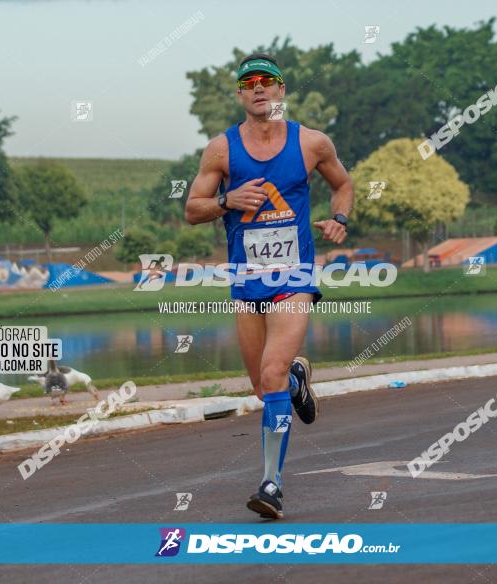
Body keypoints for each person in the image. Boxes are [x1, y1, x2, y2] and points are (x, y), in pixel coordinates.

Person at [185, 53, 353, 519]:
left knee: (272, 371)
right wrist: (226, 200)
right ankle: (298, 378)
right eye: (249, 82)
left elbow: (344, 185)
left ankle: (271, 485)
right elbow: (192, 208)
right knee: (264, 386)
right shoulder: (221, 150)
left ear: (281, 90)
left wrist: (339, 218)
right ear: (240, 94)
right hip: (246, 277)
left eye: (268, 81)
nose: (258, 88)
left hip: (293, 276)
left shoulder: (311, 143)